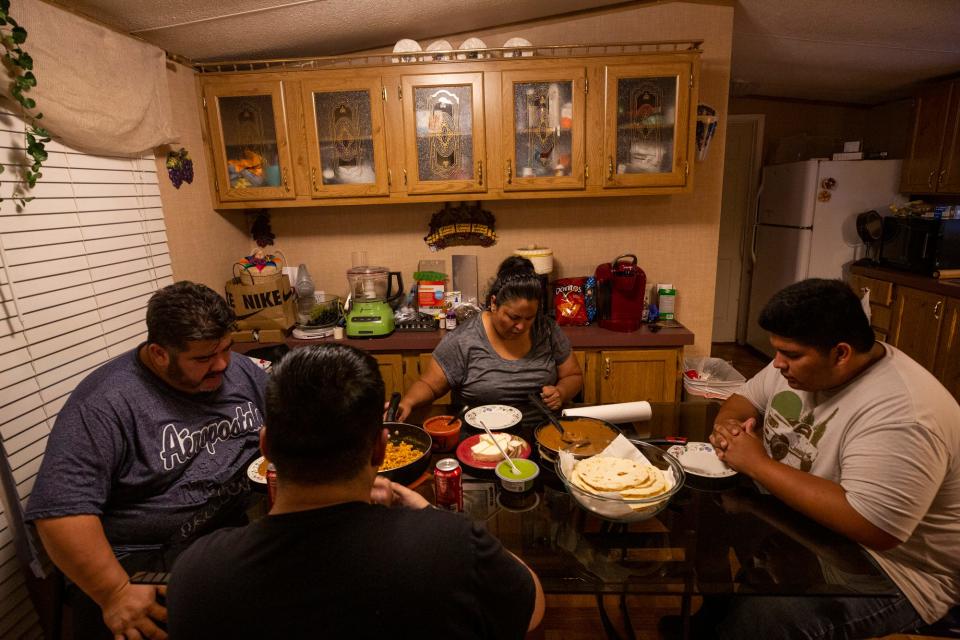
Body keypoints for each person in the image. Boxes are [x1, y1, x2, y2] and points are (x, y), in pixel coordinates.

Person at [166, 343, 545, 638]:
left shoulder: (195, 575)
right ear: (380, 448)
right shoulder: (454, 547)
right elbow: (533, 607)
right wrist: (430, 514)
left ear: (266, 448)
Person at [700, 278, 960, 639]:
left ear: (841, 353)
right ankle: (712, 619)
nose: (777, 364)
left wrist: (757, 463)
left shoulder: (904, 414)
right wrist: (729, 426)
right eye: (777, 351)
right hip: (812, 525)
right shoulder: (800, 367)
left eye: (789, 355)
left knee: (763, 619)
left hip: (897, 572)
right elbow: (744, 399)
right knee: (706, 521)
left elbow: (874, 528)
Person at [25, 281, 268, 640]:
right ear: (158, 354)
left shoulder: (239, 371)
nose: (222, 365)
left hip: (226, 531)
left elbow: (287, 430)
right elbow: (60, 514)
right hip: (142, 558)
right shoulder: (105, 403)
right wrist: (114, 592)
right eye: (203, 358)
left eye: (227, 349)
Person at [396, 256, 582, 430]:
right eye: (513, 317)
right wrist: (408, 403)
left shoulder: (547, 329)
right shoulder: (464, 339)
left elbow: (573, 375)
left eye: (529, 318)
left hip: (540, 434)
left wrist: (561, 392)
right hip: (479, 440)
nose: (521, 326)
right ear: (494, 303)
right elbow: (429, 385)